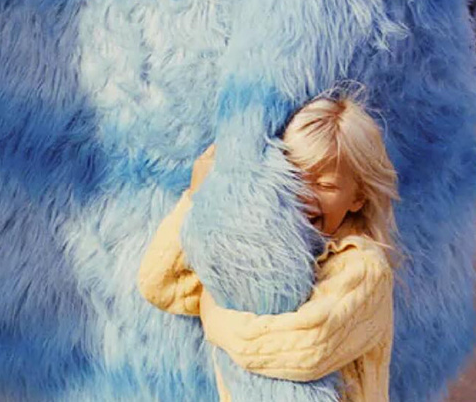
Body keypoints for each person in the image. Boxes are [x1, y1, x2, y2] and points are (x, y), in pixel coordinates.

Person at [139, 96, 400, 402]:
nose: (305, 196)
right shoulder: (264, 255)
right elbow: (159, 283)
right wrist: (200, 196)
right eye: (293, 177)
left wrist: (213, 313)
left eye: (326, 185)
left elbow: (306, 349)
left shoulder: (364, 268)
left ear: (358, 198)